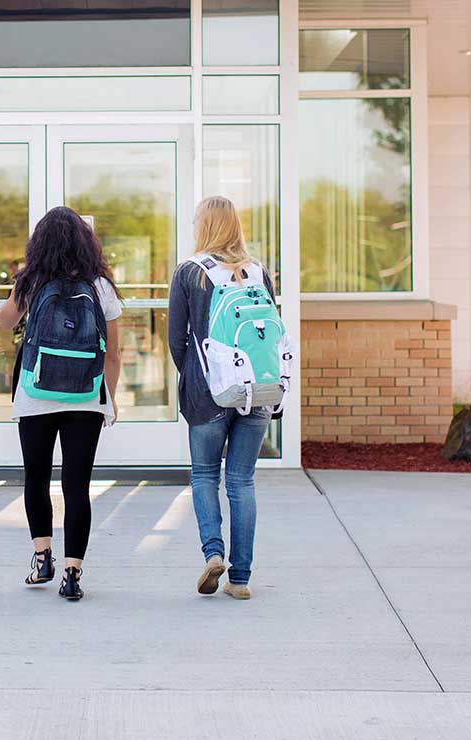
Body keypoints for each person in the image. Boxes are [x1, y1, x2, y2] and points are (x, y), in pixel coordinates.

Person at [0, 206, 123, 601]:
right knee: (77, 486)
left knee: (36, 477)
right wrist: (110, 398)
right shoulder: (99, 284)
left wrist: (23, 284)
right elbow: (115, 353)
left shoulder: (33, 281)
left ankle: (42, 559)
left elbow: (4, 321)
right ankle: (72, 573)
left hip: (36, 393)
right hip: (86, 396)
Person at [168, 196, 277, 601]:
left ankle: (214, 553)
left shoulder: (190, 273)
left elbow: (176, 341)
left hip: (208, 394)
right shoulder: (258, 272)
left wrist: (198, 379)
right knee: (242, 480)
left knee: (204, 476)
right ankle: (241, 578)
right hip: (256, 391)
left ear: (204, 226)